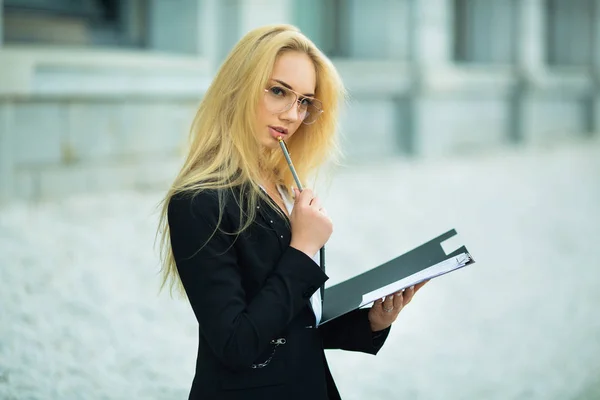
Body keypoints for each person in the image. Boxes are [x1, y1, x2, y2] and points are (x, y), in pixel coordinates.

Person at [157, 24, 427, 400]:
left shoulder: (284, 184)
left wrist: (371, 321)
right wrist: (302, 249)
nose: (291, 114)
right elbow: (236, 343)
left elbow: (296, 319)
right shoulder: (198, 202)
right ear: (239, 87)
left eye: (304, 101)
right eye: (278, 91)